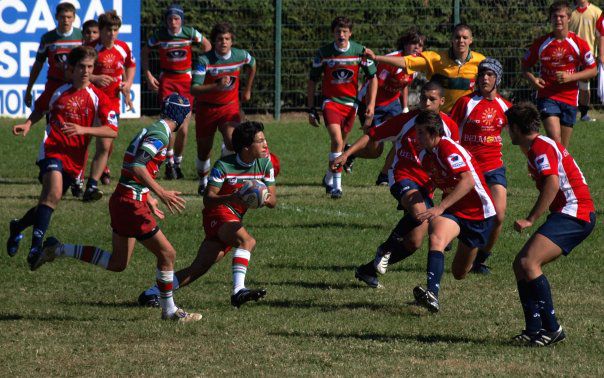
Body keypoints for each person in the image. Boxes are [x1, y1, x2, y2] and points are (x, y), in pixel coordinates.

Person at [31, 93, 202, 322]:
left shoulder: (153, 129)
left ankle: (58, 249)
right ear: (181, 116)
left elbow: (134, 165)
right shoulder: (160, 134)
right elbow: (139, 166)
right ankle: (169, 310)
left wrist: (147, 196)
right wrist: (160, 193)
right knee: (167, 253)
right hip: (130, 203)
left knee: (118, 263)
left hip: (126, 198)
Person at [333, 81, 459, 289]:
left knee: (414, 242)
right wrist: (347, 154)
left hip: (427, 186)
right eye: (423, 98)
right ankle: (384, 249)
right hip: (402, 176)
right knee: (419, 211)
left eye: (432, 99)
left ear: (442, 102)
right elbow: (372, 135)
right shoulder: (405, 121)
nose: (426, 102)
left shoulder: (450, 127)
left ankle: (368, 270)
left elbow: (452, 161)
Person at [137, 121, 276, 309]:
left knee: (199, 268)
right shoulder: (224, 166)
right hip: (217, 214)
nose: (265, 144)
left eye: (264, 139)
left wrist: (262, 198)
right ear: (246, 147)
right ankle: (238, 291)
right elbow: (208, 199)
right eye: (260, 141)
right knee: (247, 241)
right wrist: (233, 197)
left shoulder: (266, 163)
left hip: (235, 217)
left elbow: (273, 201)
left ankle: (152, 293)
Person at [6, 46, 118, 267]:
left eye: (89, 67)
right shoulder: (58, 91)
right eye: (81, 67)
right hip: (52, 149)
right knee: (54, 192)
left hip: (75, 160)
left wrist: (84, 130)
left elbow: (112, 130)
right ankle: (35, 248)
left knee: (49, 201)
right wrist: (28, 124)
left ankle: (18, 227)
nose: (86, 71)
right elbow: (39, 108)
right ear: (71, 69)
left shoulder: (99, 98)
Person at [505, 102, 596, 346]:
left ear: (515, 128)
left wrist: (530, 218)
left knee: (528, 262)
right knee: (519, 264)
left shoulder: (539, 147)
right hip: (569, 212)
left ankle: (552, 329)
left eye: (508, 128)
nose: (507, 133)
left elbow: (552, 184)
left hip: (576, 213)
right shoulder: (537, 147)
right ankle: (534, 330)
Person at [412, 110, 496, 313]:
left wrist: (440, 207)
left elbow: (468, 181)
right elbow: (438, 179)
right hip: (454, 210)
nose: (418, 137)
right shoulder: (425, 156)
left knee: (459, 273)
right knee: (436, 238)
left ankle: (466, 263)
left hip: (479, 213)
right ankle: (432, 294)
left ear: (434, 132)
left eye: (422, 132)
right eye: (417, 132)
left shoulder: (448, 148)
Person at [449, 58, 511, 274]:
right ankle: (446, 233)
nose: (485, 78)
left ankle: (481, 259)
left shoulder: (505, 107)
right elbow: (448, 131)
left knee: (499, 215)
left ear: (498, 79)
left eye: (490, 74)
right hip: (467, 168)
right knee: (460, 212)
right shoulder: (466, 103)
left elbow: (520, 132)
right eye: (482, 73)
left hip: (494, 167)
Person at [307, 16, 377, 199]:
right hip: (330, 102)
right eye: (338, 31)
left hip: (351, 105)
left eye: (345, 31)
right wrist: (311, 108)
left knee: (338, 146)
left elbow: (373, 77)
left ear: (350, 33)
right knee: (338, 141)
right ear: (333, 33)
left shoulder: (359, 51)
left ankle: (329, 177)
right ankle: (337, 186)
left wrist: (370, 104)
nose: (341, 35)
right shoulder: (324, 53)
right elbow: (312, 80)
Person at [142, 3, 211, 180]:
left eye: (176, 18)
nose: (173, 22)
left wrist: (201, 70)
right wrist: (148, 74)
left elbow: (207, 46)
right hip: (167, 82)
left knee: (184, 129)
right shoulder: (160, 35)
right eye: (170, 19)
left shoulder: (189, 33)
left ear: (181, 20)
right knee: (169, 124)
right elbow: (145, 51)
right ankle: (170, 163)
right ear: (165, 20)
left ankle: (177, 162)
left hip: (186, 82)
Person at [191, 22, 257, 196]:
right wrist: (215, 86)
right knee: (204, 150)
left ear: (232, 41)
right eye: (220, 39)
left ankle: (225, 178)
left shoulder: (240, 55)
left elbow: (253, 63)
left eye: (227, 39)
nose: (224, 42)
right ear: (214, 41)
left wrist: (247, 89)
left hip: (229, 106)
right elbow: (194, 88)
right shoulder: (204, 60)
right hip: (206, 109)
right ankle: (203, 181)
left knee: (232, 140)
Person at [522, 1, 597, 148]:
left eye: (562, 16)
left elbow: (593, 70)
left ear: (569, 18)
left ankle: (559, 170)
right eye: (554, 16)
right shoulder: (542, 43)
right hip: (547, 96)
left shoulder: (578, 43)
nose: (558, 20)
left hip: (569, 98)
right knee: (555, 139)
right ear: (550, 19)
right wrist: (532, 79)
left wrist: (571, 77)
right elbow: (524, 66)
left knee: (563, 148)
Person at [357, 29, 426, 186]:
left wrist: (405, 108)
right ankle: (350, 154)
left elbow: (404, 84)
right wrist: (370, 108)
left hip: (392, 104)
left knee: (402, 137)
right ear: (405, 44)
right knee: (375, 150)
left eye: (420, 45)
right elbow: (372, 85)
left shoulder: (417, 62)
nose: (417, 48)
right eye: (414, 43)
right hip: (372, 103)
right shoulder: (391, 61)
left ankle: (384, 175)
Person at [365, 24, 485, 113]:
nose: (461, 41)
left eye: (465, 38)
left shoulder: (480, 61)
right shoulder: (435, 58)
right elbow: (406, 61)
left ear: (471, 40)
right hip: (439, 115)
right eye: (457, 37)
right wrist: (376, 57)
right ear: (452, 39)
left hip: (465, 115)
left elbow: (490, 84)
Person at [83, 10, 136, 202]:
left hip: (111, 102)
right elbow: (76, 71)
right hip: (89, 100)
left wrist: (128, 83)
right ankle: (76, 178)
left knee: (105, 144)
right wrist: (95, 77)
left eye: (115, 30)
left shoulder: (123, 48)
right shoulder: (90, 48)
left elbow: (131, 64)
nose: (112, 34)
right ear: (101, 30)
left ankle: (92, 185)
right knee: (83, 142)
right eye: (108, 30)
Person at [24, 2, 83, 112]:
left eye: (69, 17)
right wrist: (29, 89)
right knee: (52, 119)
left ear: (74, 18)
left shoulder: (81, 36)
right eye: (62, 17)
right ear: (56, 17)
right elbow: (38, 64)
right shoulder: (47, 38)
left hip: (76, 85)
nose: (66, 20)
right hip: (54, 84)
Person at [570, 0, 602, 121]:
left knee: (584, 85)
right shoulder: (569, 12)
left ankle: (584, 114)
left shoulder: (596, 12)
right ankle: (569, 111)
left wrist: (600, 54)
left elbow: (601, 36)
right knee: (569, 84)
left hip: (587, 56)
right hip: (570, 54)